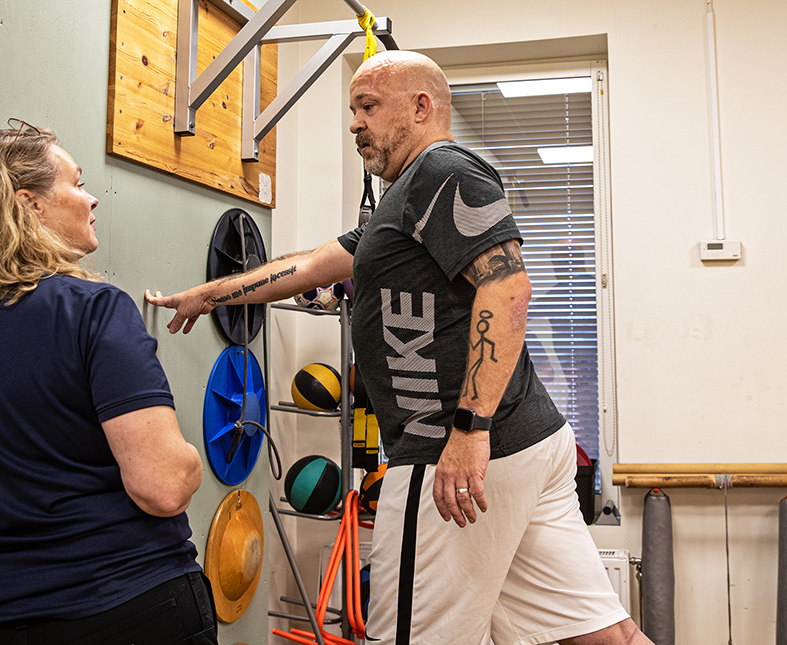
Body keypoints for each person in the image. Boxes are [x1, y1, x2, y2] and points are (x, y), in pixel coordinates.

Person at [147, 51, 652, 645]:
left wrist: (469, 429)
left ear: (421, 106)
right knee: (601, 633)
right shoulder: (406, 200)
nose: (355, 123)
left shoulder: (443, 172)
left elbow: (508, 287)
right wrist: (211, 294)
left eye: (368, 106)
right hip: (523, 448)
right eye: (352, 109)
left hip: (454, 455)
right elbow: (310, 265)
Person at [0, 122, 217, 645]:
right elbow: (164, 487)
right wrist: (189, 459)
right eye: (77, 182)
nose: (92, 200)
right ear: (29, 205)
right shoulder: (93, 310)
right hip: (132, 606)